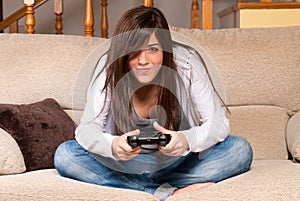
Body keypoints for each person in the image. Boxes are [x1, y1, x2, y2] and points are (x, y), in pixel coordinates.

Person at [54, 6, 253, 201]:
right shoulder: (109, 67)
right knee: (66, 155)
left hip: (178, 163)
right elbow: (86, 129)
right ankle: (164, 192)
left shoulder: (186, 63)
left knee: (239, 149)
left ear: (165, 49)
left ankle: (135, 188)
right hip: (125, 165)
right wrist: (114, 145)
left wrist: (186, 140)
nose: (143, 60)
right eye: (134, 51)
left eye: (152, 49)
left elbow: (218, 123)